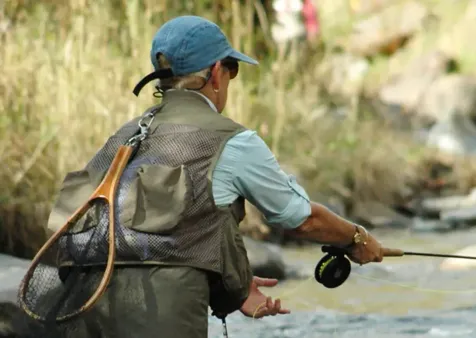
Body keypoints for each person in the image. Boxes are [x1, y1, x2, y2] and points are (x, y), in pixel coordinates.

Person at [41, 15, 385, 338]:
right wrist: (356, 239)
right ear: (217, 73)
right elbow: (303, 220)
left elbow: (175, 229)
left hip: (76, 314)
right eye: (232, 69)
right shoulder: (231, 141)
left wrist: (235, 286)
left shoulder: (123, 137)